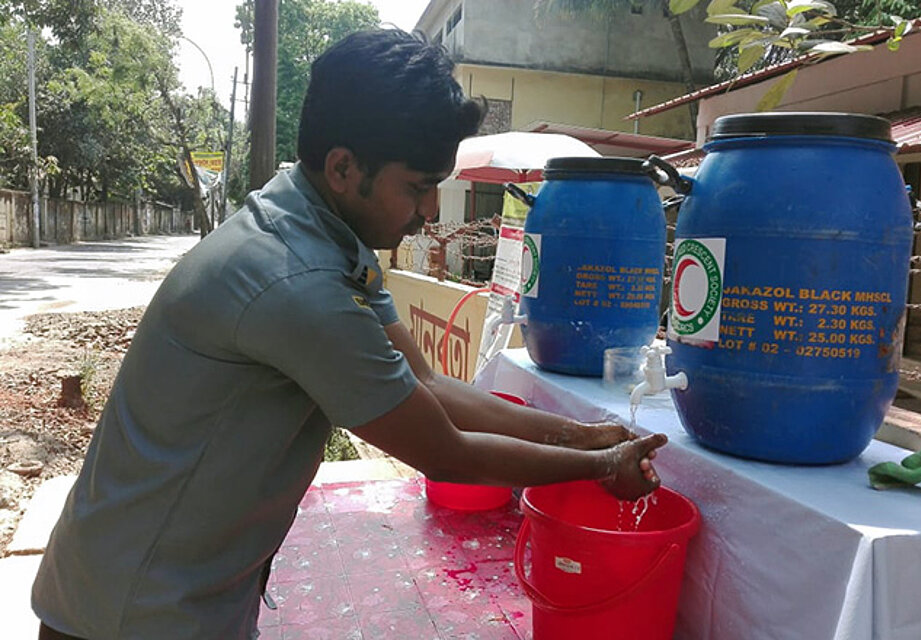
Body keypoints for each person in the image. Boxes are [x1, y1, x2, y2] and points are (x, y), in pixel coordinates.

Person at [32, 29, 666, 640]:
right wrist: (596, 467)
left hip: (178, 589)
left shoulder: (317, 232)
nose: (428, 213)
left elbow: (429, 384)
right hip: (135, 610)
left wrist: (583, 436)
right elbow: (443, 450)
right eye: (418, 188)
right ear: (342, 167)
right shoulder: (298, 284)